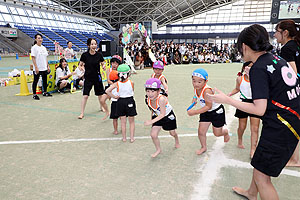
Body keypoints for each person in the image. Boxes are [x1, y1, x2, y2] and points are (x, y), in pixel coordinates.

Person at [208, 24, 300, 200]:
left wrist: (227, 100)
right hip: (289, 120)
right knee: (260, 163)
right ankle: (251, 193)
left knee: (262, 177)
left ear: (244, 46)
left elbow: (259, 109)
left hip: (281, 126)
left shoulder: (258, 68)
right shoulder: (274, 59)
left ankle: (255, 191)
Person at [274, 19, 300, 167]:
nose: (275, 34)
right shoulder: (296, 45)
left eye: (277, 31)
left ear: (285, 33)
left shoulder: (287, 49)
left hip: (296, 92)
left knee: (294, 123)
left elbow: (292, 74)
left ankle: (295, 159)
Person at [187, 68, 230, 155]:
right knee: (201, 131)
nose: (196, 84)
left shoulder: (207, 90)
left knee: (217, 133)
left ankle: (225, 132)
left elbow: (208, 106)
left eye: (199, 82)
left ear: (205, 82)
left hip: (216, 112)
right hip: (206, 112)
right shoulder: (196, 88)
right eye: (194, 81)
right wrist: (195, 99)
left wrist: (194, 112)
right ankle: (203, 147)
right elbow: (196, 94)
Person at [228, 61, 260, 158]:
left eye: (252, 67)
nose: (249, 69)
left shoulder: (259, 79)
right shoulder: (239, 79)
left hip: (255, 104)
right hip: (243, 104)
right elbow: (237, 89)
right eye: (247, 67)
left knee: (255, 128)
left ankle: (253, 150)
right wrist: (228, 95)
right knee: (242, 126)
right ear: (243, 68)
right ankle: (240, 140)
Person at [144, 78, 180, 157]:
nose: (150, 94)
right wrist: (152, 120)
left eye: (153, 91)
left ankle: (176, 139)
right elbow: (153, 110)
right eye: (148, 91)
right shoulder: (147, 99)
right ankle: (158, 149)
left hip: (167, 116)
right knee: (153, 134)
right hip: (157, 115)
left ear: (159, 91)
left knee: (172, 133)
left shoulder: (161, 99)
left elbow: (162, 114)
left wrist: (151, 121)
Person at [106, 64, 137, 143]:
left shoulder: (117, 83)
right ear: (128, 73)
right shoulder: (131, 82)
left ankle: (124, 138)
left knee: (123, 122)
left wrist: (114, 96)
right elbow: (132, 91)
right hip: (129, 101)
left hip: (120, 101)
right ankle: (132, 137)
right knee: (131, 121)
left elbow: (107, 91)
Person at [78, 38, 108, 119]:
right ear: (88, 45)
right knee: (85, 96)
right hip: (88, 77)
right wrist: (81, 68)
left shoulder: (99, 55)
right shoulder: (84, 55)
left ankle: (101, 107)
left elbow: (103, 63)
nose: (94, 46)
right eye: (92, 44)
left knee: (100, 94)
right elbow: (80, 64)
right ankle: (82, 113)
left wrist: (104, 66)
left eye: (95, 44)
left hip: (97, 77)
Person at [101, 55, 122, 120]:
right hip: (110, 87)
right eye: (113, 63)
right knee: (102, 100)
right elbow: (108, 80)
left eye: (116, 63)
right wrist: (113, 85)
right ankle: (107, 112)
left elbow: (120, 80)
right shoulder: (108, 70)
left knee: (118, 104)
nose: (114, 65)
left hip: (118, 88)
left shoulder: (120, 71)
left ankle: (121, 116)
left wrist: (115, 85)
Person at [31, 33, 52, 100]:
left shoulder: (43, 48)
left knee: (44, 80)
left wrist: (47, 66)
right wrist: (36, 67)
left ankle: (45, 92)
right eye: (38, 38)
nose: (40, 39)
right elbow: (33, 58)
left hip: (44, 67)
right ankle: (34, 94)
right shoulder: (34, 48)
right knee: (36, 81)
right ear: (36, 39)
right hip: (38, 67)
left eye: (41, 38)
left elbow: (45, 58)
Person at [107, 70, 120, 135]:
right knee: (122, 117)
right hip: (120, 101)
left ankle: (115, 130)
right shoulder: (120, 83)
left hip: (114, 102)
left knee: (115, 118)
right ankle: (122, 128)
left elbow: (108, 92)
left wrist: (113, 97)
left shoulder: (112, 85)